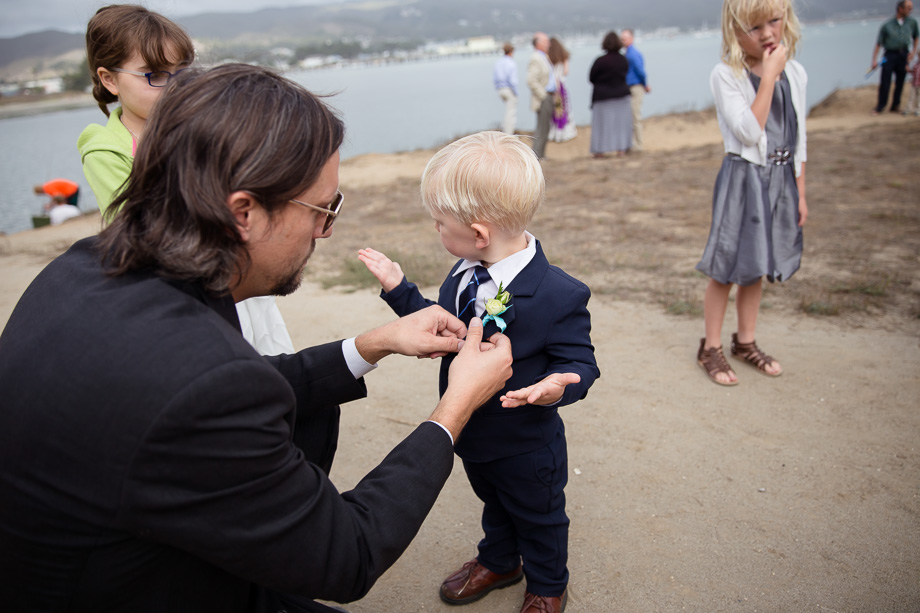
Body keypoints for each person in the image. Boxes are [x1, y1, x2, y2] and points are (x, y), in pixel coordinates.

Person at [0, 63, 514, 613]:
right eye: (322, 210)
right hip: (140, 590)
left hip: (110, 561)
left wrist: (373, 343)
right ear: (243, 212)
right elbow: (349, 552)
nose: (325, 231)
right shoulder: (202, 380)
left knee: (312, 407)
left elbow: (200, 394)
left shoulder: (86, 265)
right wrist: (454, 407)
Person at [358, 131, 600, 613]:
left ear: (479, 233)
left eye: (440, 222)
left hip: (527, 443)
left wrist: (558, 387)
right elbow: (446, 326)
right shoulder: (464, 272)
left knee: (540, 515)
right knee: (494, 503)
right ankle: (499, 560)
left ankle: (548, 585)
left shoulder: (559, 294)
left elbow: (580, 363)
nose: (436, 229)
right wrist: (400, 290)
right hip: (472, 432)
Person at [77, 4, 292, 356]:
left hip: (234, 276)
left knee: (267, 365)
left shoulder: (199, 123)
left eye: (182, 71)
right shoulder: (105, 148)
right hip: (178, 290)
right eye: (154, 74)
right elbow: (138, 227)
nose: (174, 86)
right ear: (109, 79)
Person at [695, 0, 808, 386]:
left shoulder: (797, 72)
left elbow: (800, 139)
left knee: (756, 264)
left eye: (773, 22)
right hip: (742, 178)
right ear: (735, 30)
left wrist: (801, 193)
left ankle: (745, 341)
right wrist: (770, 76)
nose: (767, 34)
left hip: (779, 180)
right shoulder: (726, 74)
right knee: (726, 265)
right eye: (754, 27)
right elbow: (749, 131)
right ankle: (710, 347)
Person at [588, 31, 632, 158]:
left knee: (601, 125)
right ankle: (621, 149)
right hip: (622, 95)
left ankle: (599, 151)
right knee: (621, 124)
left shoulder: (600, 61)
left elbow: (591, 78)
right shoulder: (623, 59)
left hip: (602, 96)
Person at [871, 0, 919, 114]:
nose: (910, 10)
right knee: (885, 80)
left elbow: (916, 36)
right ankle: (880, 106)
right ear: (900, 8)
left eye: (911, 8)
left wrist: (913, 51)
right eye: (908, 8)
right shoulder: (887, 25)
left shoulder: (912, 22)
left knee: (901, 80)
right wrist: (874, 60)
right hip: (889, 54)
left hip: (904, 53)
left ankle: (895, 105)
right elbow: (879, 43)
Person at [527, 32, 557, 159]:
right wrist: (543, 95)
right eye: (546, 42)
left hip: (549, 95)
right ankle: (537, 156)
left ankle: (541, 154)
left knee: (546, 127)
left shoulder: (544, 57)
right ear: (538, 43)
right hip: (543, 97)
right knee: (542, 127)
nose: (548, 44)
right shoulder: (536, 58)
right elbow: (530, 80)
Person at [621, 28, 651, 151]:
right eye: (622, 39)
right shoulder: (627, 53)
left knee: (635, 116)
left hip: (636, 87)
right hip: (630, 87)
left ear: (631, 38)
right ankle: (633, 143)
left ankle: (638, 145)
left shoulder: (632, 54)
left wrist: (645, 84)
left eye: (625, 38)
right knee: (631, 116)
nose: (623, 41)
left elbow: (641, 71)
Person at [547, 37, 577, 142]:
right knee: (564, 109)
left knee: (555, 110)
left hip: (552, 87)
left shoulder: (548, 57)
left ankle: (555, 133)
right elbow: (566, 72)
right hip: (562, 86)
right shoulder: (564, 56)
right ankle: (565, 132)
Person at [493, 42, 518, 135]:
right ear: (511, 52)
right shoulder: (511, 63)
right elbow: (513, 81)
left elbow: (494, 78)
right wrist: (516, 92)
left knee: (508, 111)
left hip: (500, 89)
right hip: (509, 89)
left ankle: (505, 131)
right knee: (511, 113)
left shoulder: (498, 63)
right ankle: (509, 134)